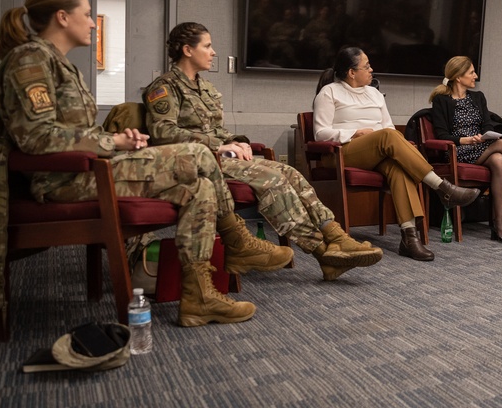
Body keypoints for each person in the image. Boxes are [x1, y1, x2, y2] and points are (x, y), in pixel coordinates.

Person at [0, 0, 293, 327]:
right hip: (65, 180)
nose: (93, 22)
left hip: (90, 170)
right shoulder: (30, 60)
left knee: (202, 188)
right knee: (198, 154)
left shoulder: (59, 63)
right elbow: (36, 138)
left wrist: (118, 137)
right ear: (62, 17)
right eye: (88, 14)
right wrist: (111, 144)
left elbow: (71, 131)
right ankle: (236, 238)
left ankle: (199, 298)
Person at [144, 22, 382, 281]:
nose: (213, 52)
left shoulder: (207, 88)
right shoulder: (164, 87)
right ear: (188, 50)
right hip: (196, 162)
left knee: (290, 173)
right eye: (208, 46)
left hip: (223, 157)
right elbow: (163, 132)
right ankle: (323, 251)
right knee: (273, 179)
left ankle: (336, 235)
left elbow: (217, 130)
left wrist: (237, 141)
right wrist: (218, 146)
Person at [313, 47, 480, 261]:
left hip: (379, 151)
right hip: (344, 151)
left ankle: (409, 238)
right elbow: (320, 133)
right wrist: (354, 132)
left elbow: (389, 127)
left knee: (398, 167)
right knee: (387, 136)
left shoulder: (374, 93)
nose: (372, 69)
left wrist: (384, 137)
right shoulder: (330, 92)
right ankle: (442, 187)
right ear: (351, 72)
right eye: (366, 66)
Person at [429, 56, 502, 243]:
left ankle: (499, 227)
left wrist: (485, 135)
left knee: (499, 160)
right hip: (458, 151)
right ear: (458, 77)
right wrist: (466, 140)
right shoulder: (441, 101)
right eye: (471, 72)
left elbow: (487, 124)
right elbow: (442, 135)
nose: (475, 76)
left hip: (481, 147)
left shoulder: (478, 97)